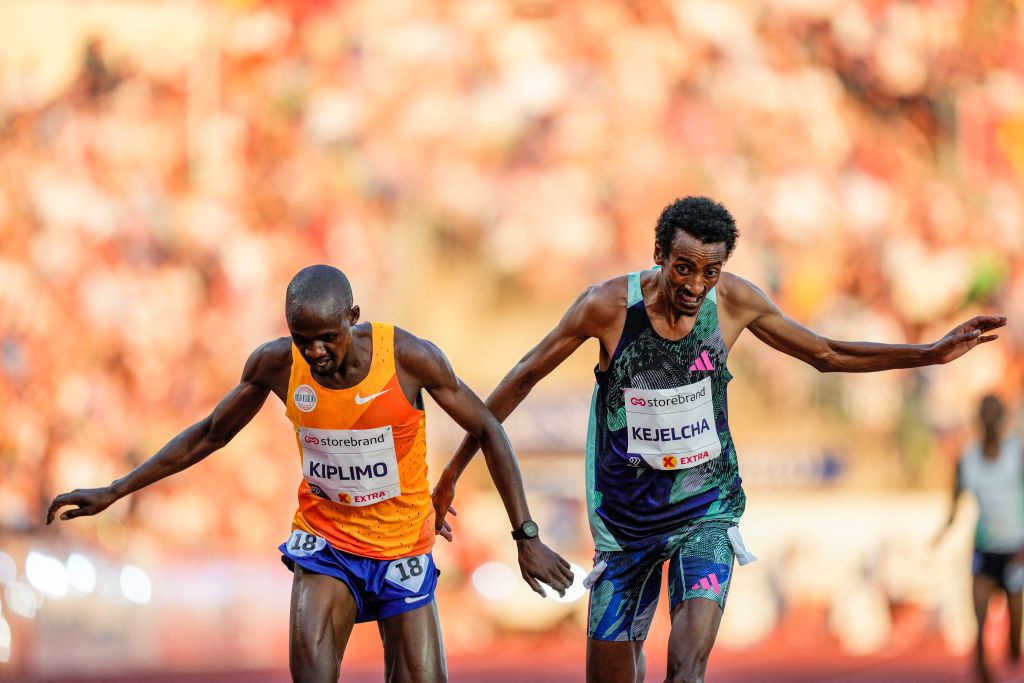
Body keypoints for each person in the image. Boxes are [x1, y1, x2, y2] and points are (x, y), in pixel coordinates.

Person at [432, 196, 1007, 683]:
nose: (696, 285)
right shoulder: (606, 307)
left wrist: (928, 353)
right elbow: (521, 379)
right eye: (684, 268)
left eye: (710, 271)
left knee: (685, 666)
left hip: (704, 514)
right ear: (658, 256)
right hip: (624, 526)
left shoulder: (733, 302)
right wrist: (456, 469)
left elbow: (825, 354)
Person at [47, 264, 573, 683]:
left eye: (325, 337)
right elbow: (210, 433)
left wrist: (525, 535)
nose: (315, 351)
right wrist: (115, 490)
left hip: (402, 548)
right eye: (302, 338)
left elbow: (489, 429)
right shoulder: (277, 364)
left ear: (353, 317)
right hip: (327, 543)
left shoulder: (410, 359)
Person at [935, 394, 1024, 683]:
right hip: (984, 549)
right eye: (983, 414)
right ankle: (983, 673)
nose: (988, 420)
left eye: (994, 414)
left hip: (1015, 552)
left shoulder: (1017, 455)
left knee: (1013, 645)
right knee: (979, 626)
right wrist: (943, 530)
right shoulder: (968, 459)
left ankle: (1012, 647)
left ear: (1002, 419)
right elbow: (956, 497)